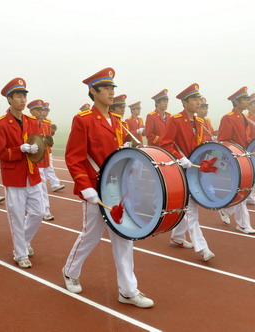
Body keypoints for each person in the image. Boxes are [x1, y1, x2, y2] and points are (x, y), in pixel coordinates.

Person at [63, 67, 154, 308]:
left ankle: (127, 290)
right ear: (93, 91)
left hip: (118, 189)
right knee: (91, 235)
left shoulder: (116, 121)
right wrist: (85, 186)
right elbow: (74, 158)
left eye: (113, 87)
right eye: (105, 88)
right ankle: (70, 271)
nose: (111, 92)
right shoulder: (83, 120)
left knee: (124, 237)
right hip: (95, 188)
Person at [158, 83, 215, 261]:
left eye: (199, 99)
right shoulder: (175, 120)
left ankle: (177, 237)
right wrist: (180, 157)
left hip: (196, 170)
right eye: (195, 99)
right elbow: (164, 143)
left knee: (190, 206)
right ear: (185, 102)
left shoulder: (200, 122)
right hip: (181, 170)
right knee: (191, 210)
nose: (198, 102)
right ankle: (203, 247)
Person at [0, 77, 45, 269]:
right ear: (9, 99)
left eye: (24, 96)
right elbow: (0, 153)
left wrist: (35, 149)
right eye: (18, 96)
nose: (22, 100)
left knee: (38, 213)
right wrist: (19, 150)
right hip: (14, 176)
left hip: (32, 174)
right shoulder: (0, 124)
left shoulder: (32, 121)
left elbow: (37, 144)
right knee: (16, 215)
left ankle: (23, 242)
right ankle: (20, 253)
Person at [217, 86, 255, 234]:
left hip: (244, 158)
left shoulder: (244, 118)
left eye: (247, 99)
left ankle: (225, 209)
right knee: (242, 191)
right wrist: (235, 155)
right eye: (245, 99)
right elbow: (223, 140)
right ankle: (243, 223)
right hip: (234, 160)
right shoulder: (228, 118)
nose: (247, 101)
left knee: (242, 190)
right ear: (236, 102)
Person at [27, 99, 56, 221]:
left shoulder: (46, 124)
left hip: (44, 158)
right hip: (32, 159)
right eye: (38, 110)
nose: (41, 112)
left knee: (41, 184)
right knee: (39, 185)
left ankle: (41, 208)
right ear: (31, 111)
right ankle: (45, 209)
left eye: (42, 110)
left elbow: (48, 139)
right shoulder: (27, 123)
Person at [41, 102, 65, 192]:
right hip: (39, 150)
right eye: (44, 110)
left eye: (47, 110)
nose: (46, 112)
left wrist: (52, 132)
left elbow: (49, 135)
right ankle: (54, 184)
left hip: (47, 150)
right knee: (43, 169)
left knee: (49, 167)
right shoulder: (35, 121)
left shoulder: (48, 121)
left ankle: (55, 184)